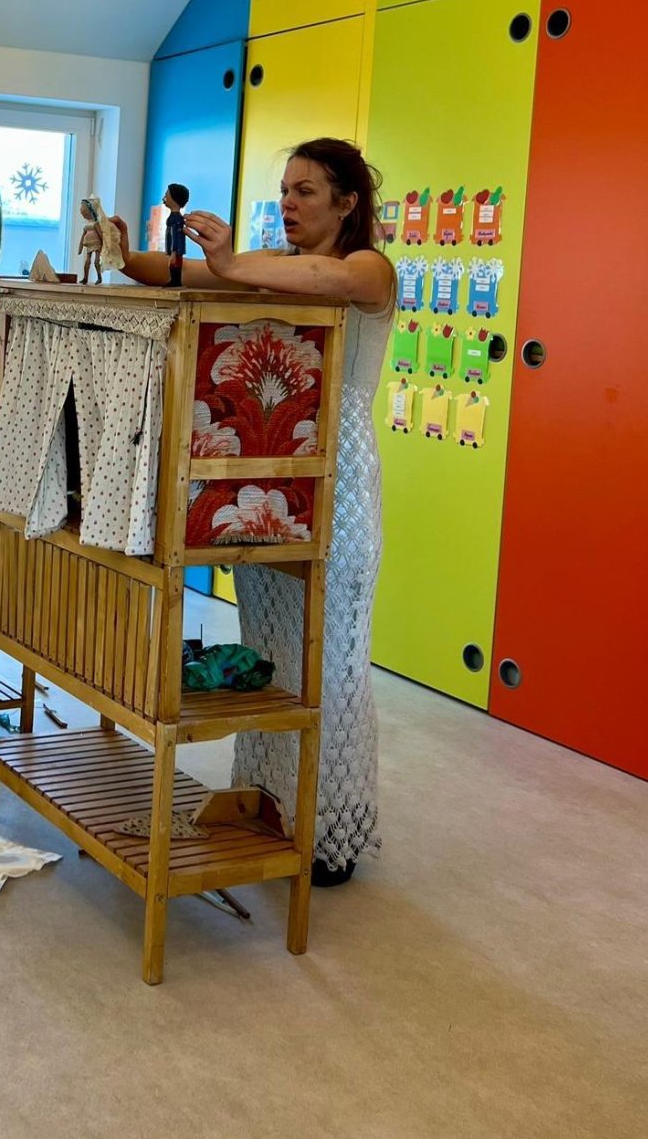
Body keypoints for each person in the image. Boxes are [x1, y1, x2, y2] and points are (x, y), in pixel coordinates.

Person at [112, 139, 395, 885]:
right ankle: (271, 807)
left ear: (347, 203)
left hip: (339, 488)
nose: (289, 203)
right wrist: (123, 254)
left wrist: (236, 263)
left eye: (306, 191)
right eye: (285, 190)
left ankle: (329, 833)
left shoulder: (371, 268)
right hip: (269, 490)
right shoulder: (273, 264)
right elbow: (180, 272)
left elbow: (329, 279)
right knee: (274, 656)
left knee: (330, 662)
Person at [163, 183, 189, 285]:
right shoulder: (175, 218)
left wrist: (174, 251)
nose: (164, 198)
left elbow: (175, 236)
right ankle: (175, 280)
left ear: (174, 198)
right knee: (174, 264)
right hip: (174, 249)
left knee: (174, 264)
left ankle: (175, 281)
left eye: (167, 195)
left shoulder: (175, 219)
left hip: (176, 249)